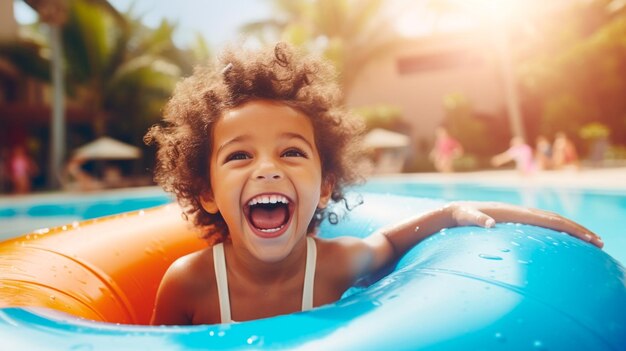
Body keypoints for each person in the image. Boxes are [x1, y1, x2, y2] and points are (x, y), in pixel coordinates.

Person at [145, 43, 602, 326]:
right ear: (206, 191)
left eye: (291, 152)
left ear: (325, 185)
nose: (267, 169)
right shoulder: (190, 284)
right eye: (240, 155)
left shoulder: (334, 264)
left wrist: (459, 210)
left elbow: (392, 240)